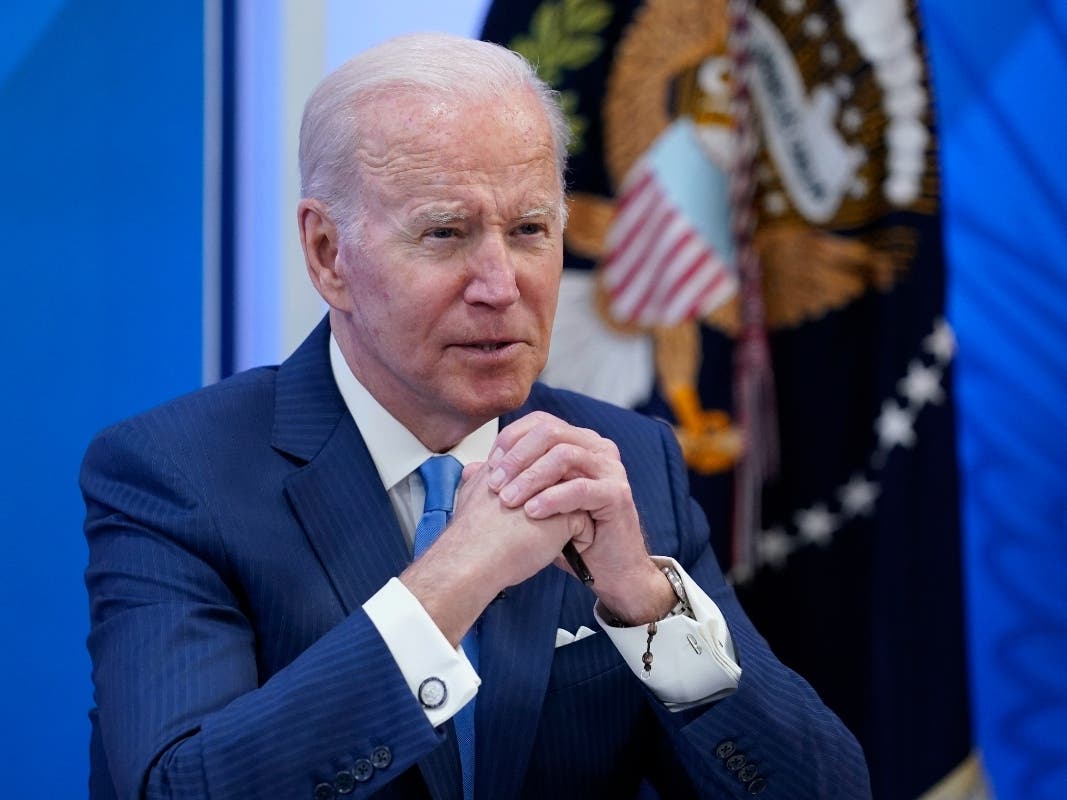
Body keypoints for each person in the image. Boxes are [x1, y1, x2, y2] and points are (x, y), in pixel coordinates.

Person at [81, 32, 870, 800]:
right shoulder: (176, 475)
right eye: (444, 233)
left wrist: (646, 605)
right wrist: (460, 573)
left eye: (529, 231)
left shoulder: (628, 461)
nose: (499, 285)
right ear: (327, 253)